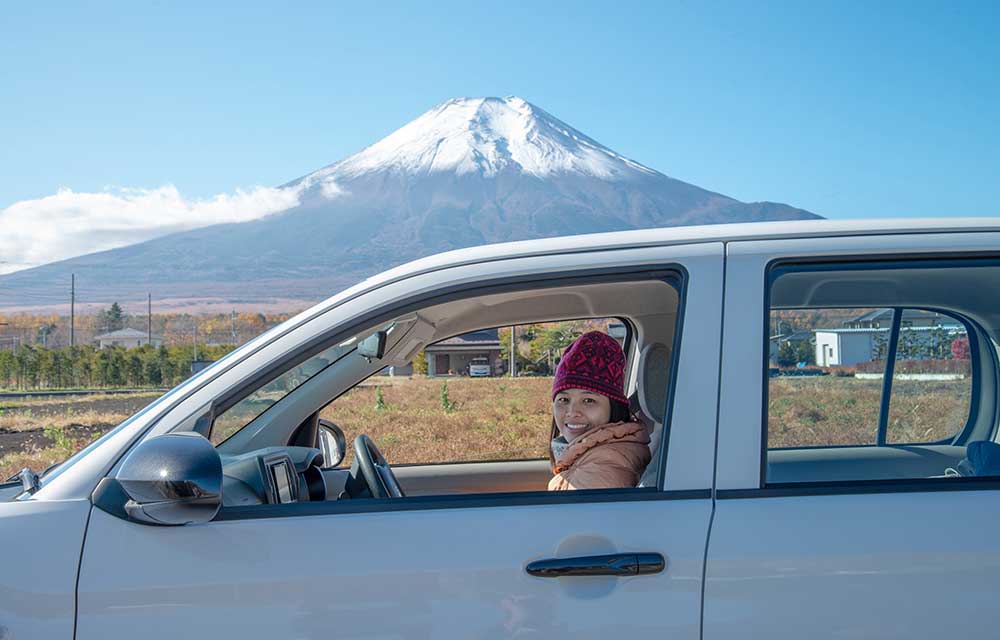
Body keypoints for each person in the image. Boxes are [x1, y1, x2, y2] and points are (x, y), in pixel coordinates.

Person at [547, 331, 651, 491]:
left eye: (588, 400)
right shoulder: (597, 454)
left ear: (613, 406)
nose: (572, 412)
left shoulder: (600, 469)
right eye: (564, 399)